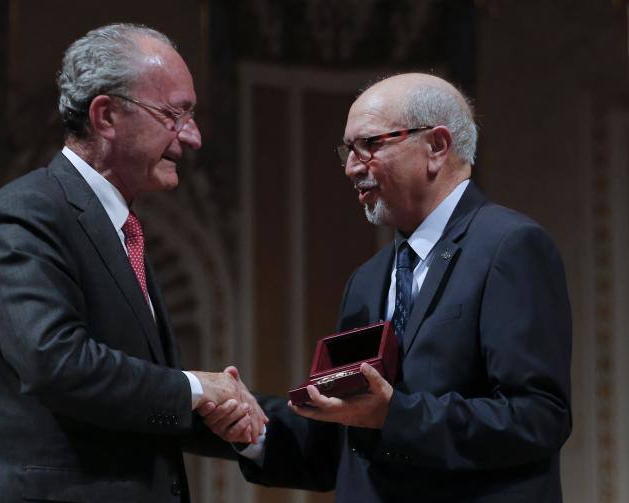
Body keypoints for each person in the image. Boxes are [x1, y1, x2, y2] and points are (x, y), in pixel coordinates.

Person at [201, 73, 572, 502]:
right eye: (347, 150)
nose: (351, 166)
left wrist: (395, 415)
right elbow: (338, 445)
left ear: (437, 146)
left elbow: (538, 418)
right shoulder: (368, 279)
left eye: (370, 144)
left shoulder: (510, 246)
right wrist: (256, 429)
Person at [0, 23, 265, 503]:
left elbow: (130, 398)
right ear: (106, 116)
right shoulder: (30, 210)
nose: (193, 137)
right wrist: (196, 387)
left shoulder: (121, 228)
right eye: (174, 114)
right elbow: (54, 362)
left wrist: (235, 414)